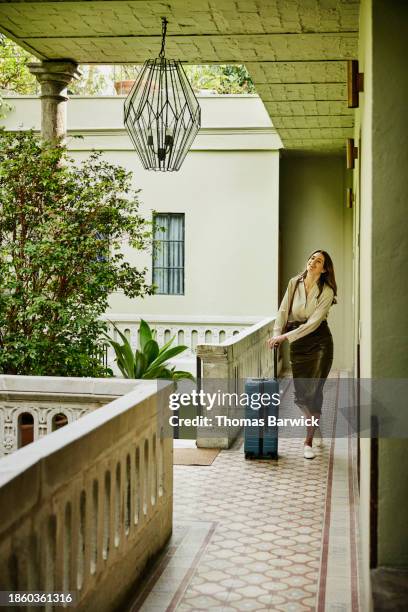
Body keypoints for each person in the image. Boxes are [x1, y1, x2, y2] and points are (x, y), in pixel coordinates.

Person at [267, 250, 337, 459]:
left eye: (319, 261)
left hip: (320, 343)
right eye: (312, 258)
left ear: (324, 269)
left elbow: (313, 323)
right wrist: (277, 333)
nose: (313, 262)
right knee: (300, 396)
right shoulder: (294, 283)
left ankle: (308, 441)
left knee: (314, 390)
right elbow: (282, 311)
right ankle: (315, 423)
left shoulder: (327, 291)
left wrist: (285, 337)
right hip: (298, 345)